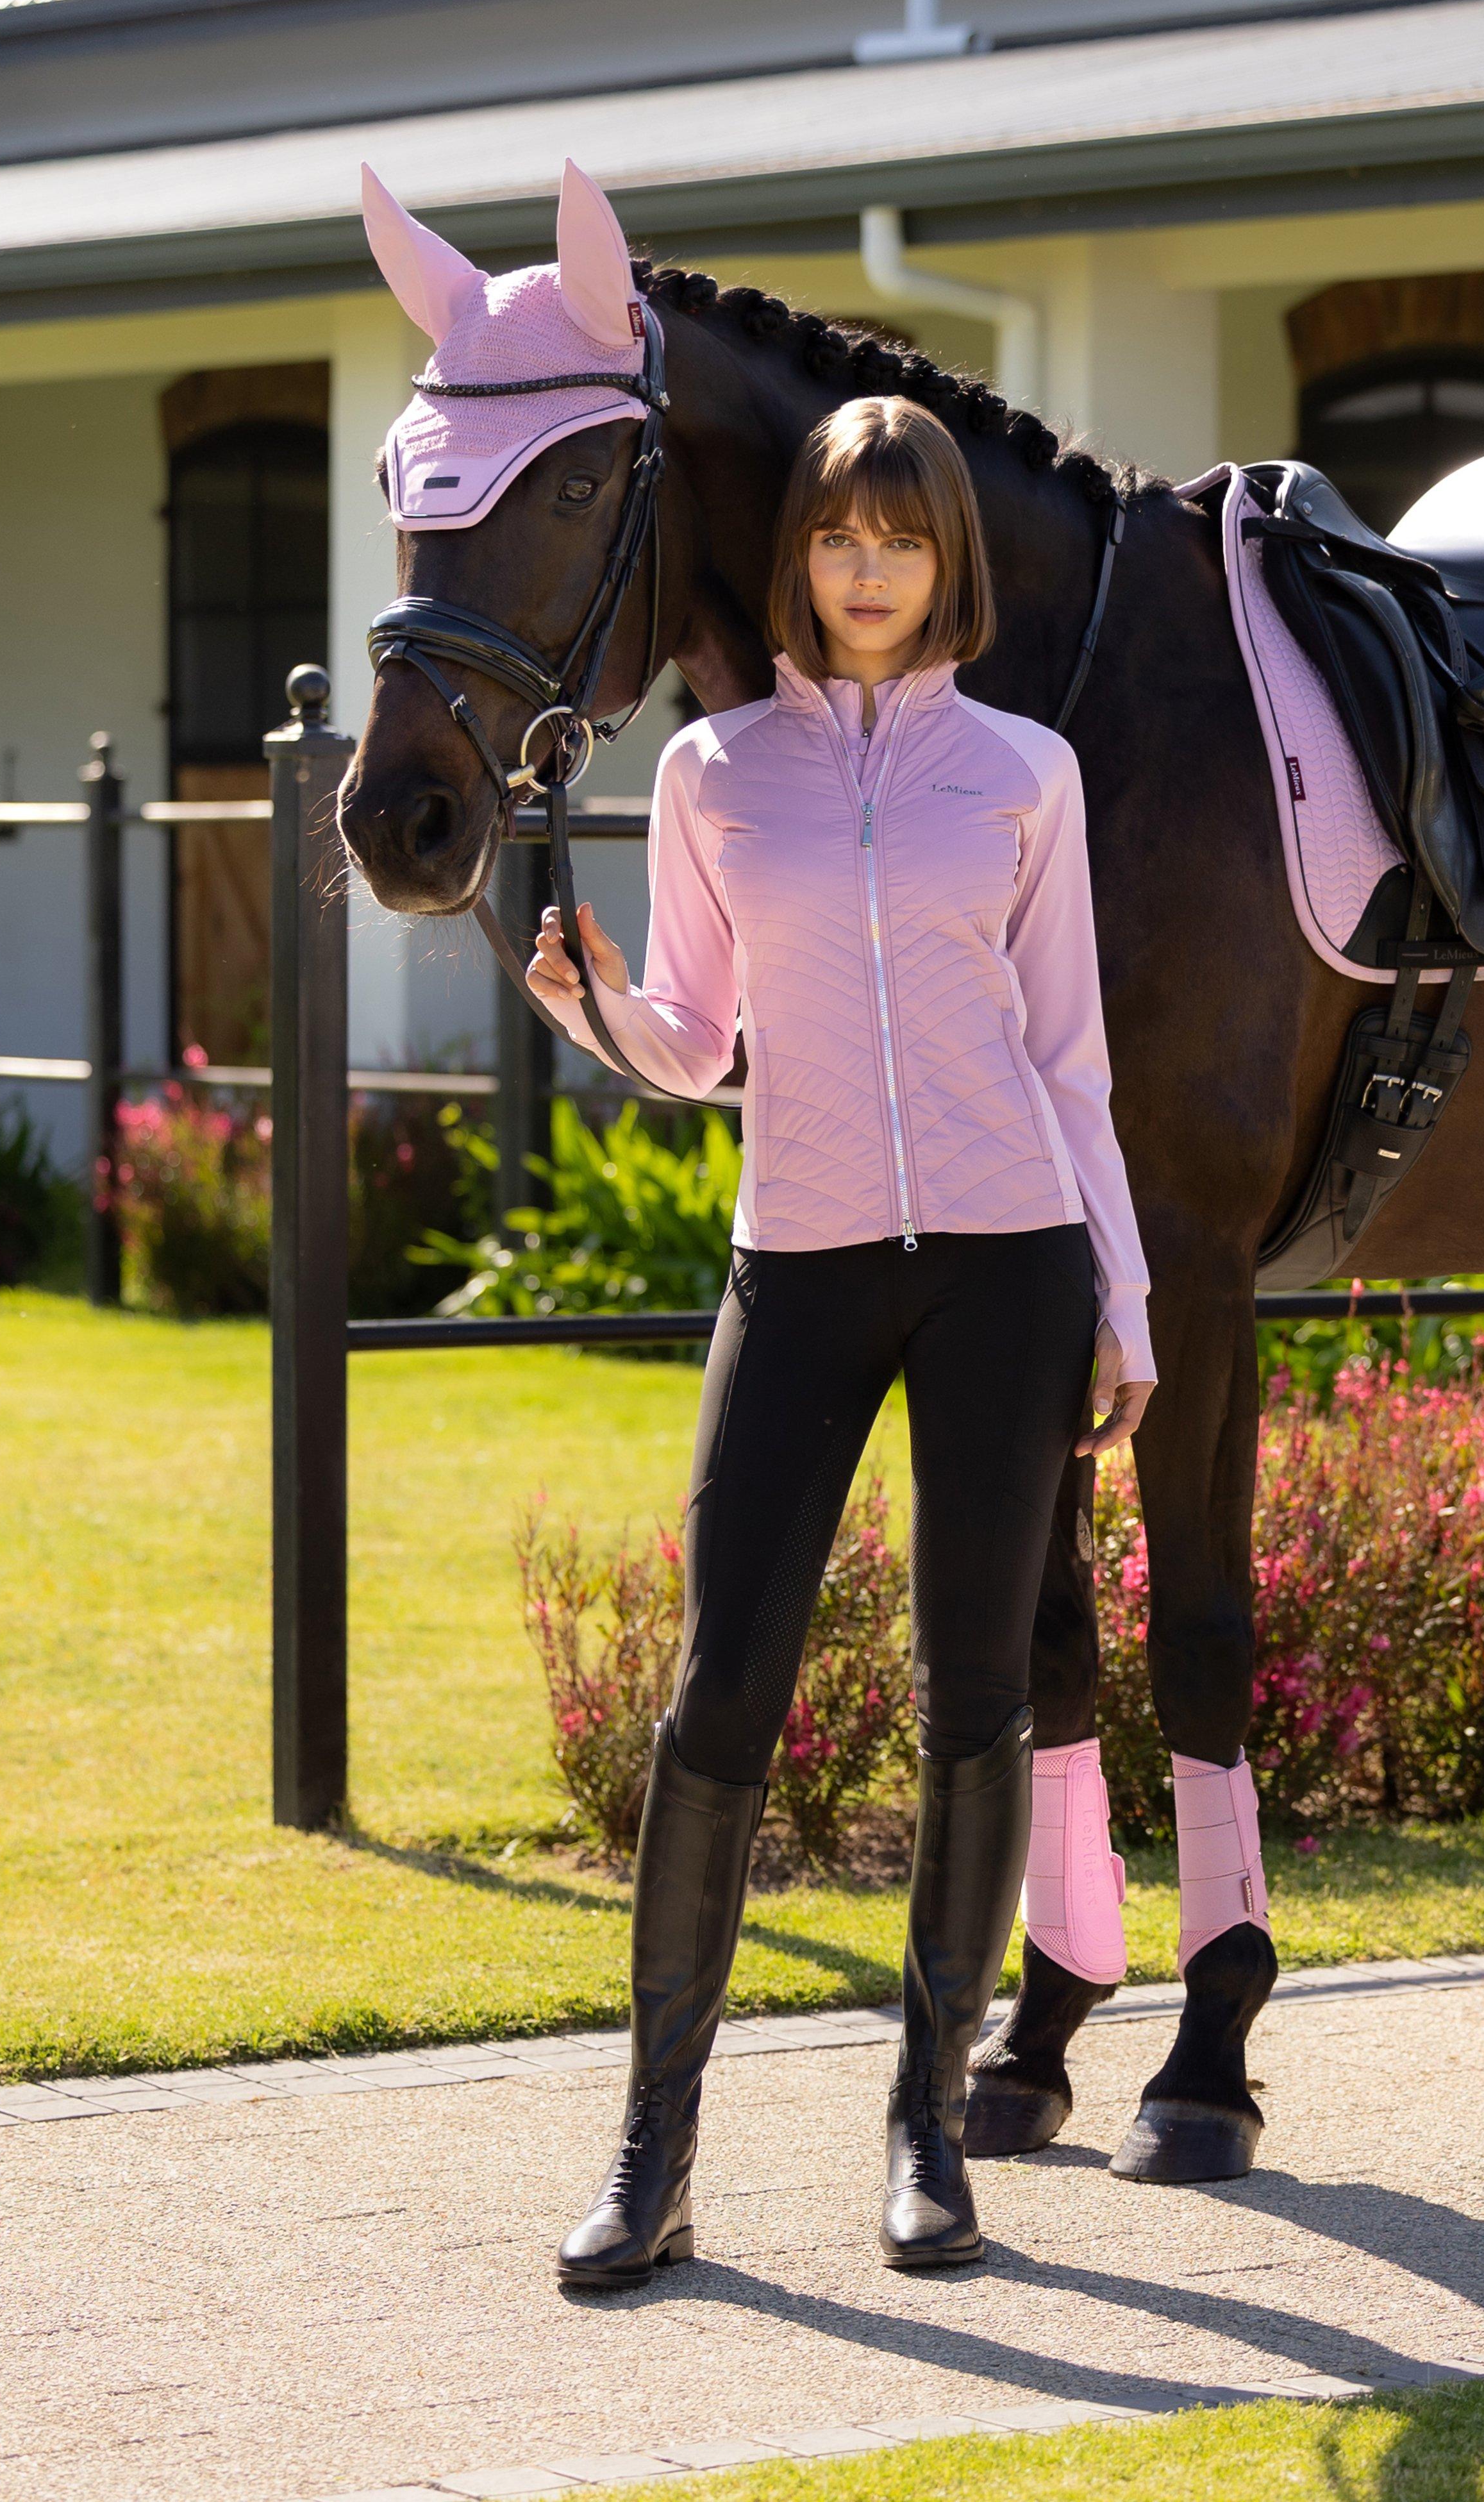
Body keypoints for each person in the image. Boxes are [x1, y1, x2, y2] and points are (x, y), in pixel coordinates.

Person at [533, 394, 1154, 2284]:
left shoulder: (1027, 775)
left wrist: (1121, 1297)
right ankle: (656, 2151)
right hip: (797, 1261)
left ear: (944, 560)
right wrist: (600, 1017)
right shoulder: (719, 774)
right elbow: (703, 1037)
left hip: (1009, 1262)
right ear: (794, 559)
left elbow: (1070, 1063)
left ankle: (930, 2133)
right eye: (833, 538)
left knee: (979, 1699)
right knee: (723, 1690)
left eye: (899, 539)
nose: (865, 569)